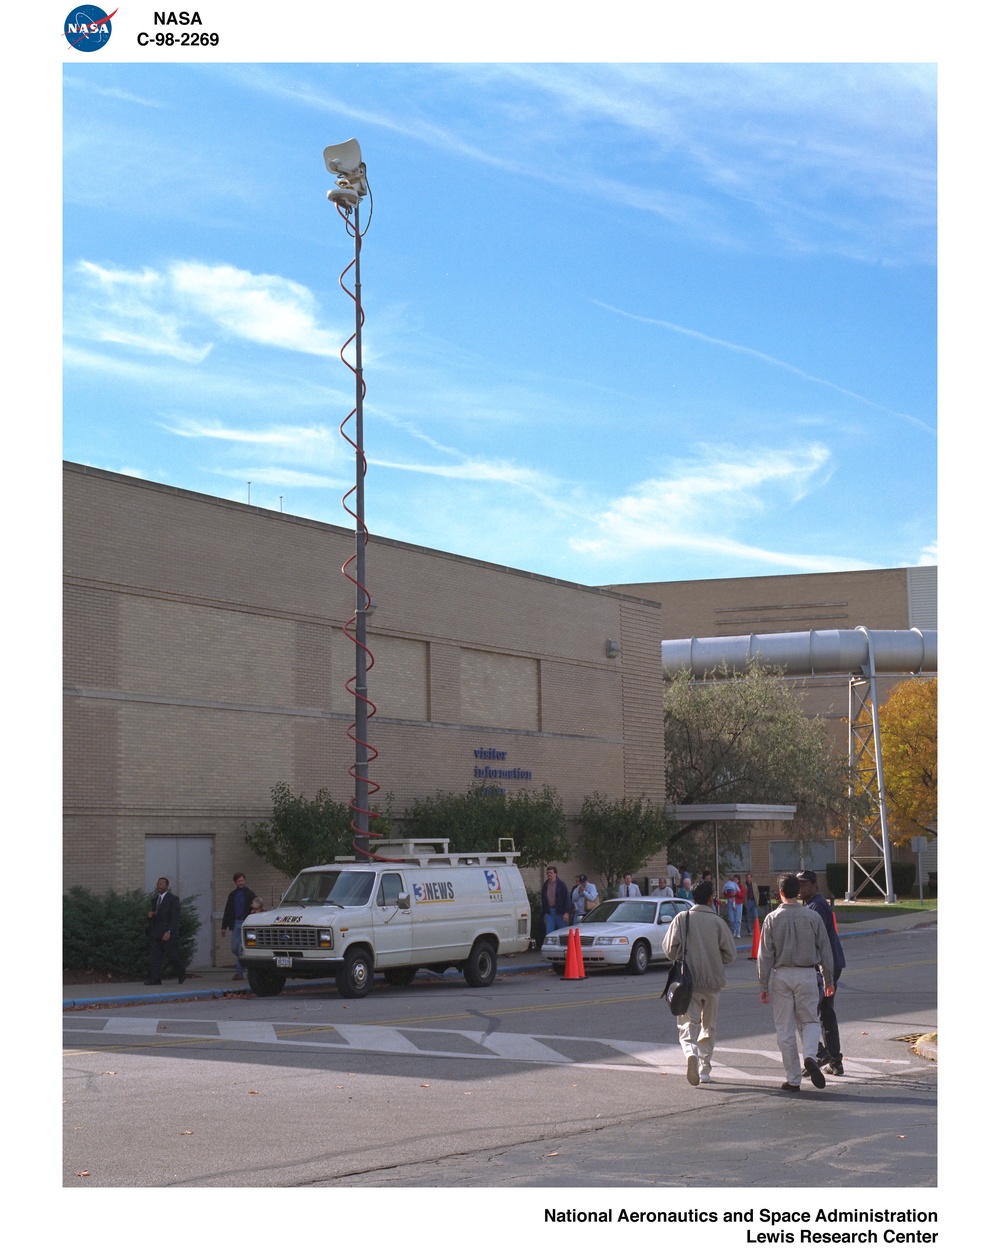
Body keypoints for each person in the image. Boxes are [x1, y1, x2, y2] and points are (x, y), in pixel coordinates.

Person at [758, 874, 835, 1091]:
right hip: (807, 973)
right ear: (797, 892)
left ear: (780, 892)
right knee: (810, 1021)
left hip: (781, 974)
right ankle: (810, 1055)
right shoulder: (812, 917)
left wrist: (763, 985)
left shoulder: (771, 919)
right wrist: (828, 979)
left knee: (785, 1028)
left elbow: (764, 955)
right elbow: (825, 949)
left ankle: (793, 1078)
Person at [662, 880, 737, 1086]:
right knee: (709, 1026)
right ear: (711, 898)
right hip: (713, 982)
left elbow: (669, 950)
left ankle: (690, 1053)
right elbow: (730, 955)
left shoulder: (682, 918)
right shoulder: (718, 921)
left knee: (687, 1023)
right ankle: (705, 1070)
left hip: (689, 982)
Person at [797, 870, 847, 1075]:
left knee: (804, 1012)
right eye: (797, 885)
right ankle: (835, 1060)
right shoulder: (813, 904)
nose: (799, 888)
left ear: (813, 884)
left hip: (825, 965)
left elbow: (812, 940)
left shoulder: (816, 906)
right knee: (825, 1012)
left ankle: (821, 1053)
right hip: (829, 963)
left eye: (803, 884)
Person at [145, 876, 186, 985]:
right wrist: (150, 916)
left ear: (166, 886)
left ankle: (181, 971)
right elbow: (155, 916)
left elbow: (174, 917)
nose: (159, 886)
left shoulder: (173, 899)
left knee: (171, 955)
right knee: (155, 957)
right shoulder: (155, 900)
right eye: (158, 884)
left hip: (167, 933)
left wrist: (169, 931)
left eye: (161, 884)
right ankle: (155, 979)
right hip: (156, 933)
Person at [221, 871, 258, 981]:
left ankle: (239, 972)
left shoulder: (250, 894)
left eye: (242, 880)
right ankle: (247, 961)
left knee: (242, 948)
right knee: (234, 947)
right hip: (236, 923)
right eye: (239, 881)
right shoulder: (232, 895)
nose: (241, 883)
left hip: (247, 923)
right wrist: (224, 926)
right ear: (235, 882)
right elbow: (227, 910)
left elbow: (256, 906)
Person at [542, 865, 571, 934]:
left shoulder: (561, 885)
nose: (549, 874)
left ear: (555, 873)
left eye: (551, 873)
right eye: (548, 873)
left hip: (560, 912)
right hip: (549, 912)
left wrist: (567, 912)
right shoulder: (545, 885)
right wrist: (544, 914)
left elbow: (567, 899)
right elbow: (543, 900)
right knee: (549, 932)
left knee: (563, 932)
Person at [730, 874, 746, 939]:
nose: (735, 881)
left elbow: (743, 894)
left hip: (739, 904)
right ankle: (733, 930)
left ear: (738, 880)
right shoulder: (730, 886)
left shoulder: (741, 887)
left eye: (736, 879)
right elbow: (726, 893)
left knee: (738, 919)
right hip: (731, 903)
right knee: (731, 919)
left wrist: (736, 893)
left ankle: (738, 932)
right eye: (734, 879)